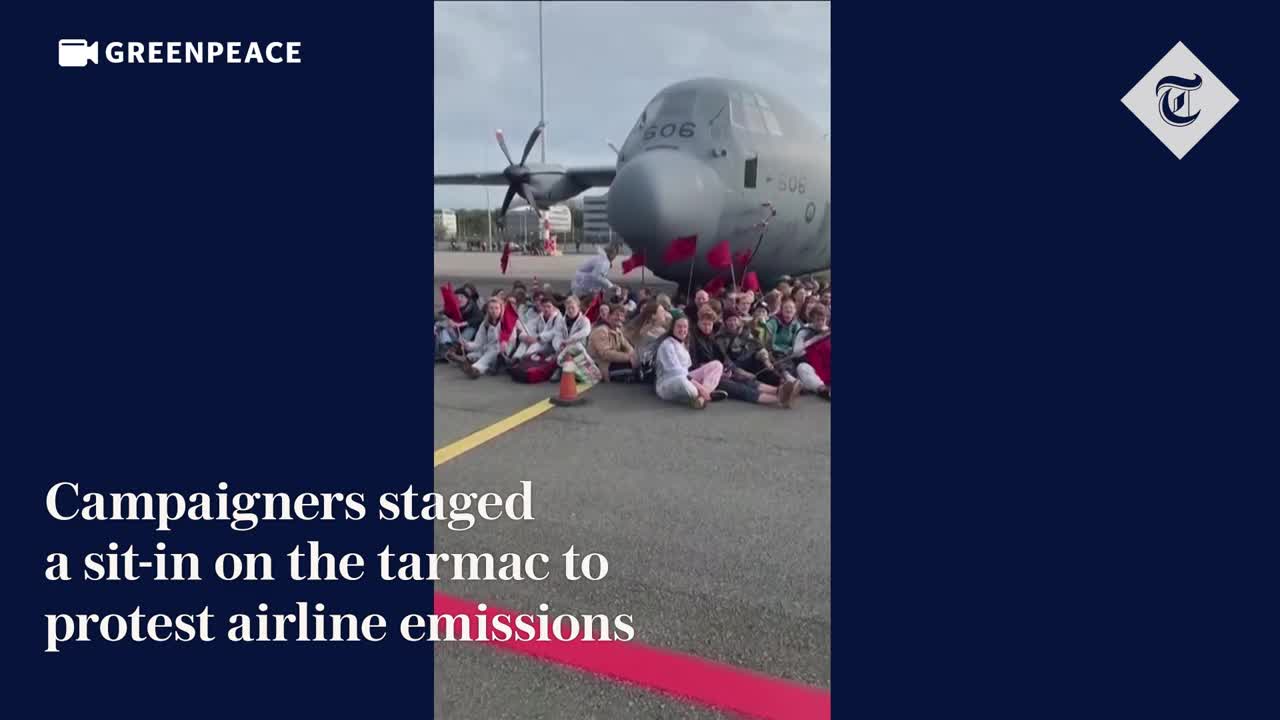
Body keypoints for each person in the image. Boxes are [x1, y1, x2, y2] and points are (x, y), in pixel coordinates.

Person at [690, 307, 795, 408]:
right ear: (698, 323)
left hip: (721, 372)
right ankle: (778, 398)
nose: (707, 327)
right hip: (708, 378)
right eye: (704, 324)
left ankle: (779, 390)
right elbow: (695, 363)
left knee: (746, 381)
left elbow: (724, 359)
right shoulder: (695, 339)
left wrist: (728, 370)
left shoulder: (711, 339)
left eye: (709, 324)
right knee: (741, 389)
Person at [654, 316, 722, 409]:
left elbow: (687, 370)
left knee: (717, 365)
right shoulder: (667, 345)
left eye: (685, 327)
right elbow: (676, 372)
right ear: (672, 328)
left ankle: (702, 398)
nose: (682, 330)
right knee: (686, 385)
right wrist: (699, 386)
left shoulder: (683, 343)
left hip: (686, 377)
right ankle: (705, 393)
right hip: (668, 382)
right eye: (679, 326)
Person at [718, 310, 786, 387]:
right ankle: (775, 389)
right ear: (725, 323)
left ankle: (783, 382)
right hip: (736, 367)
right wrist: (741, 372)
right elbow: (725, 359)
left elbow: (758, 346)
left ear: (739, 320)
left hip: (751, 360)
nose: (733, 323)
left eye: (734, 319)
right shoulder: (721, 338)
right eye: (729, 320)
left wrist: (765, 359)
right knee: (748, 379)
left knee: (765, 364)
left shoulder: (746, 331)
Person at [448, 297, 507, 379]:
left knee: (492, 351)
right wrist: (467, 345)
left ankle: (475, 369)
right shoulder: (484, 324)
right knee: (476, 354)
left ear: (501, 309)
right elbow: (478, 343)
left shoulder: (506, 322)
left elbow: (511, 339)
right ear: (487, 309)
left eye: (496, 308)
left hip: (502, 352)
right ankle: (467, 362)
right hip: (486, 350)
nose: (494, 311)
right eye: (491, 308)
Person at [588, 304, 639, 382]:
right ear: (609, 316)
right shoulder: (601, 331)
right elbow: (605, 354)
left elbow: (629, 348)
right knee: (634, 371)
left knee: (638, 366)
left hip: (612, 364)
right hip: (602, 368)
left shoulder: (617, 331)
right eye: (616, 315)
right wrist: (629, 358)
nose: (619, 318)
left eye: (622, 316)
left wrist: (634, 356)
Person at [791, 302, 832, 400]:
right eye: (818, 320)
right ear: (812, 318)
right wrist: (814, 340)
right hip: (810, 364)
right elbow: (796, 353)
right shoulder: (804, 331)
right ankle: (822, 390)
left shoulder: (828, 331)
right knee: (802, 368)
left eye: (823, 320)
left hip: (827, 363)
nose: (820, 322)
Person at [512, 296, 564, 362]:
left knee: (535, 345)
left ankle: (523, 361)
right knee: (525, 342)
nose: (546, 309)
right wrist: (525, 337)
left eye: (549, 306)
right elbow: (528, 327)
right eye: (544, 306)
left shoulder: (558, 318)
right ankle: (515, 359)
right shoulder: (540, 317)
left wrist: (538, 338)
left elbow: (554, 332)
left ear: (554, 307)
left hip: (551, 345)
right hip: (540, 341)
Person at [624, 299, 671, 370]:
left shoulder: (662, 329)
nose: (665, 314)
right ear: (653, 316)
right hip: (645, 365)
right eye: (662, 311)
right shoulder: (645, 331)